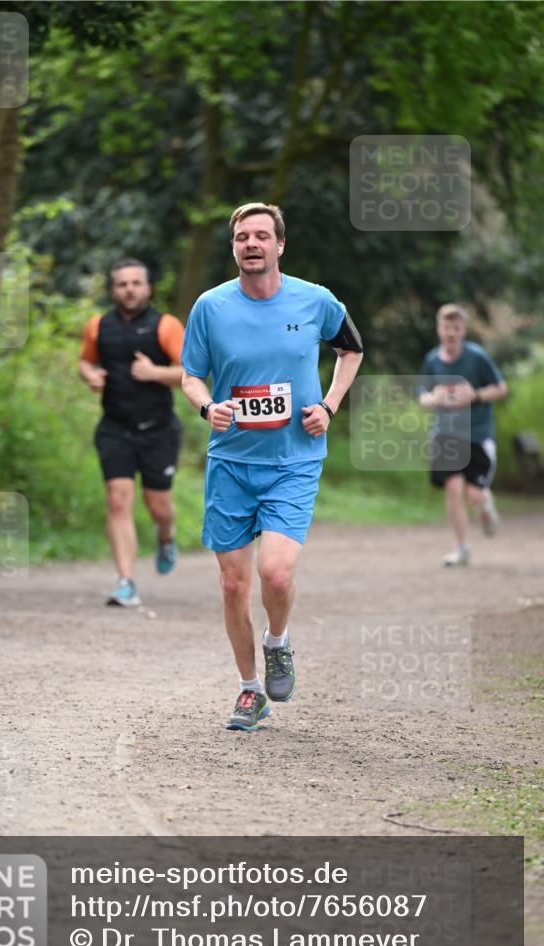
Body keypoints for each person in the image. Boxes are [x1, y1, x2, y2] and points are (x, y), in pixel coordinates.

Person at [181, 202, 363, 731]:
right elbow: (192, 374)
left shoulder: (315, 300)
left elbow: (351, 349)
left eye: (262, 235)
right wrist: (205, 406)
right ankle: (249, 689)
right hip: (231, 463)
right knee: (234, 585)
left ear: (280, 245)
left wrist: (329, 405)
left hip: (293, 462)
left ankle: (277, 643)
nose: (252, 243)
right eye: (243, 236)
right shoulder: (210, 308)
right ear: (234, 247)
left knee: (275, 573)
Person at [79, 258, 185, 606]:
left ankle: (166, 536)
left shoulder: (165, 325)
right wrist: (90, 375)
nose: (129, 289)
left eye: (136, 283)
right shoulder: (99, 326)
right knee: (117, 499)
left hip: (158, 430)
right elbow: (86, 360)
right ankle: (125, 581)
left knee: (158, 505)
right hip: (115, 427)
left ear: (148, 288)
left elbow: (192, 373)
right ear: (114, 290)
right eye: (122, 284)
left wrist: (155, 372)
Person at [419, 303, 508, 567]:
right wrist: (433, 397)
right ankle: (462, 548)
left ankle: (485, 505)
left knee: (475, 494)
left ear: (463, 331)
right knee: (453, 488)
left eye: (456, 328)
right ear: (439, 329)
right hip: (446, 435)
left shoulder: (477, 357)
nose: (451, 333)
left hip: (478, 434)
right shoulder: (432, 360)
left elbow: (501, 388)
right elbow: (423, 395)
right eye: (446, 327)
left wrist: (476, 395)